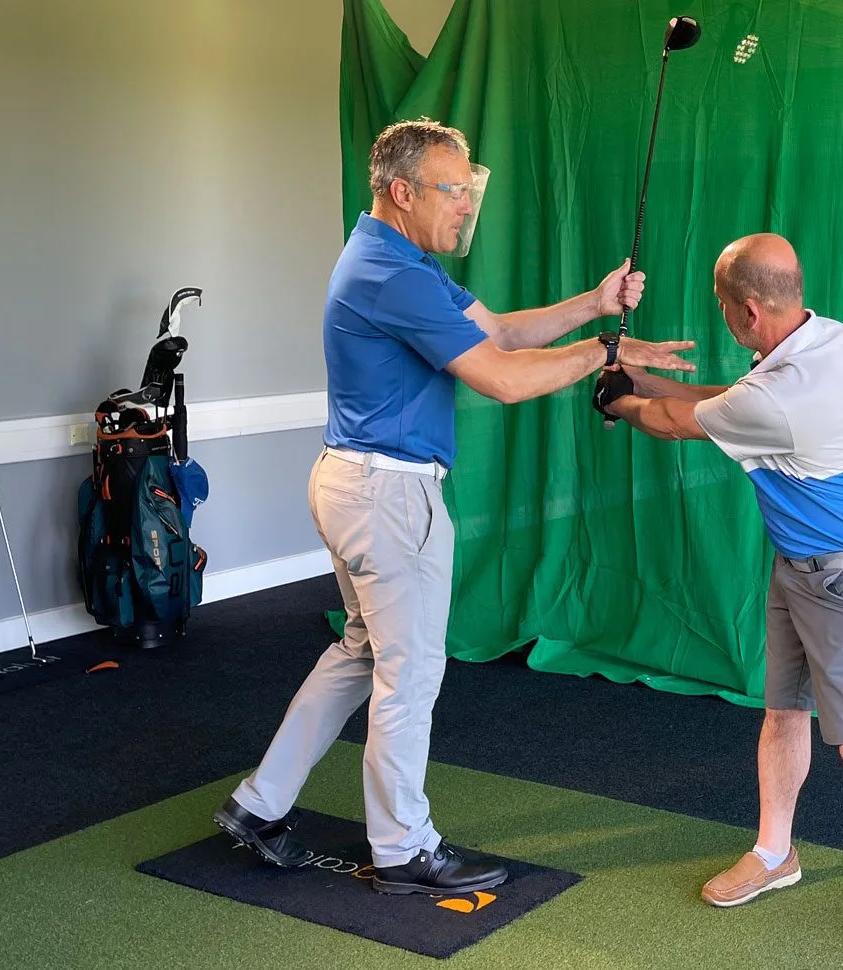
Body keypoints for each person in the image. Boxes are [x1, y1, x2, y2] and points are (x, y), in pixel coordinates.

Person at [212, 118, 695, 896]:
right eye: (454, 190)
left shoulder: (399, 259)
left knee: (361, 653)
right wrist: (605, 352)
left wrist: (595, 305)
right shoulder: (392, 275)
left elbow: (496, 332)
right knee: (409, 675)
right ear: (403, 192)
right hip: (388, 496)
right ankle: (403, 850)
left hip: (354, 482)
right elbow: (501, 378)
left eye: (471, 189)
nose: (467, 205)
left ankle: (258, 803)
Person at [597, 233, 843, 960]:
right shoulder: (828, 339)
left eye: (723, 306)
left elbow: (677, 424)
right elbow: (727, 402)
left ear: (748, 310)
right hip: (801, 568)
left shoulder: (781, 395)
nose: (723, 316)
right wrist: (633, 376)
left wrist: (621, 401)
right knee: (783, 715)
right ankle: (775, 852)